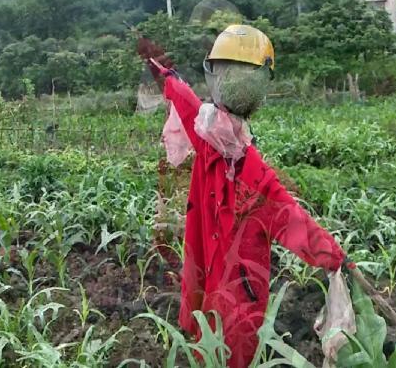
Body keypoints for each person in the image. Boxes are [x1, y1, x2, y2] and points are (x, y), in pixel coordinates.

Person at [138, 27, 349, 367]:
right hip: (231, 287)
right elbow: (297, 224)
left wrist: (165, 75)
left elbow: (184, 98)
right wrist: (336, 258)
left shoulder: (207, 135)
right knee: (220, 343)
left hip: (223, 285)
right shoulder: (243, 164)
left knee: (212, 340)